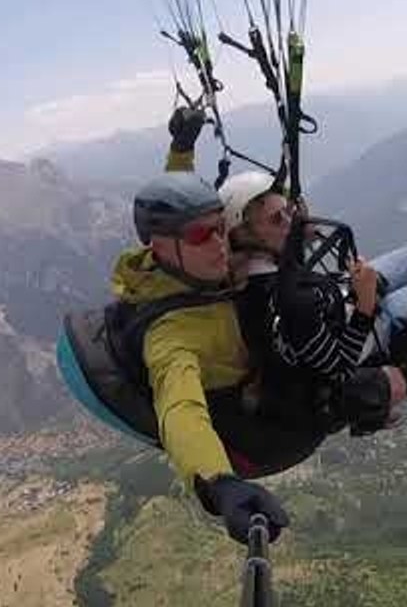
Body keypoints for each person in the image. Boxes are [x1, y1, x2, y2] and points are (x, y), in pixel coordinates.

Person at [216, 169, 407, 432]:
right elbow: (339, 366)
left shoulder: (264, 267)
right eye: (277, 219)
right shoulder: (281, 301)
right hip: (368, 328)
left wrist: (300, 234)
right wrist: (366, 302)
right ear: (243, 234)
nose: (291, 223)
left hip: (344, 297)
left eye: (289, 212)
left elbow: (292, 273)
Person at [110, 168, 290, 545]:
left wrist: (181, 147)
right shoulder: (170, 335)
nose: (219, 243)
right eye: (200, 235)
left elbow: (174, 197)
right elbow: (180, 409)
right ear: (159, 247)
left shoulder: (189, 264)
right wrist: (219, 483)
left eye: (221, 227)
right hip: (254, 412)